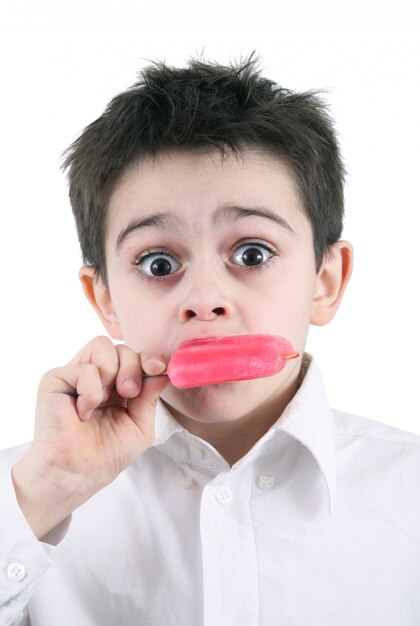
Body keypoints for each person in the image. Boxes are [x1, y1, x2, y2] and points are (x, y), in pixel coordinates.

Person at [1, 51, 419, 626]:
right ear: (104, 301)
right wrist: (45, 493)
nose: (204, 297)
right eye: (157, 263)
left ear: (325, 282)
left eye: (252, 253)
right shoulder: (24, 498)